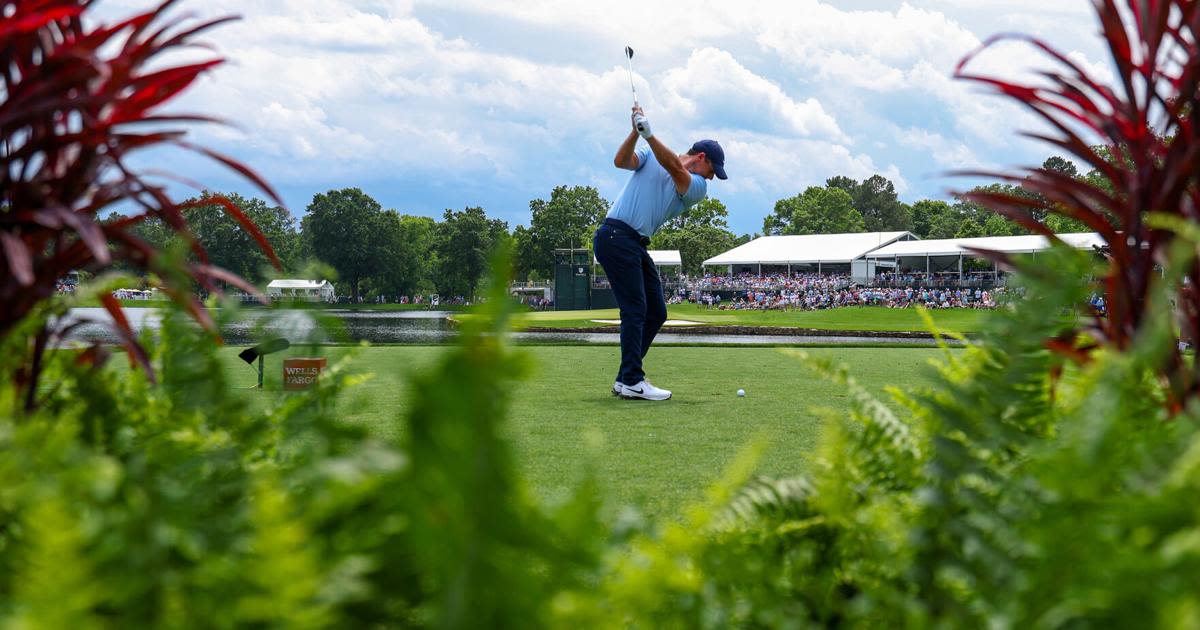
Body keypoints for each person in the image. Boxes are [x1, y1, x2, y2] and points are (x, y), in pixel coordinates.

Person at [593, 105, 726, 401]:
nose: (713, 178)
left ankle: (625, 377)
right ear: (702, 158)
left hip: (633, 243)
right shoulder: (651, 155)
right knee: (635, 309)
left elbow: (676, 169)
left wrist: (648, 134)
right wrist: (634, 131)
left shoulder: (698, 187)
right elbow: (621, 161)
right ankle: (632, 380)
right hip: (615, 235)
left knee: (656, 311)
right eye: (713, 170)